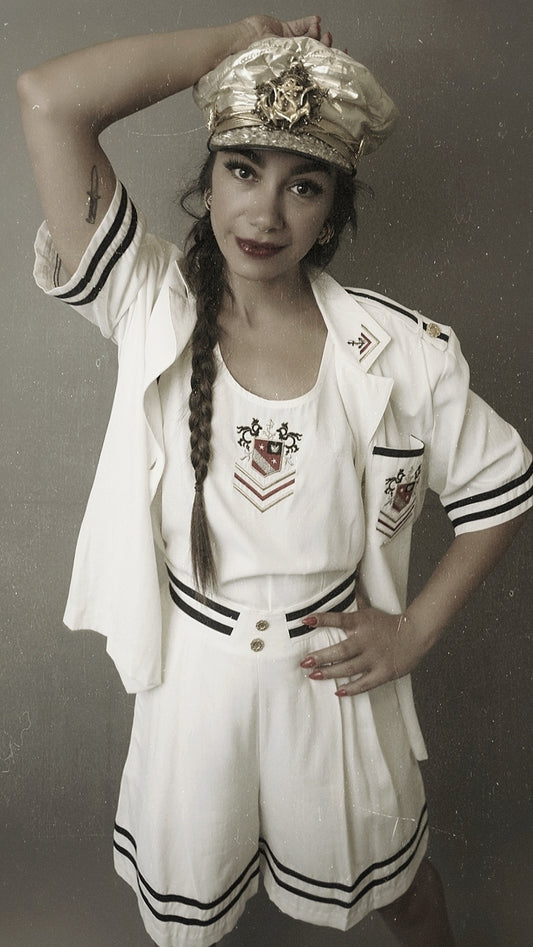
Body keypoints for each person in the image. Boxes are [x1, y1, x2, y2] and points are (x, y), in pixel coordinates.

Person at [17, 13, 532, 947]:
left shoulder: (396, 349)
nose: (264, 215)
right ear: (207, 178)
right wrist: (242, 39)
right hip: (195, 682)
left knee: (403, 894)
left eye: (302, 186)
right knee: (188, 917)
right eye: (242, 169)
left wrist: (413, 629)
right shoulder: (149, 298)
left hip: (332, 687)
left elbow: (502, 487)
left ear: (331, 211)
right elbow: (49, 101)